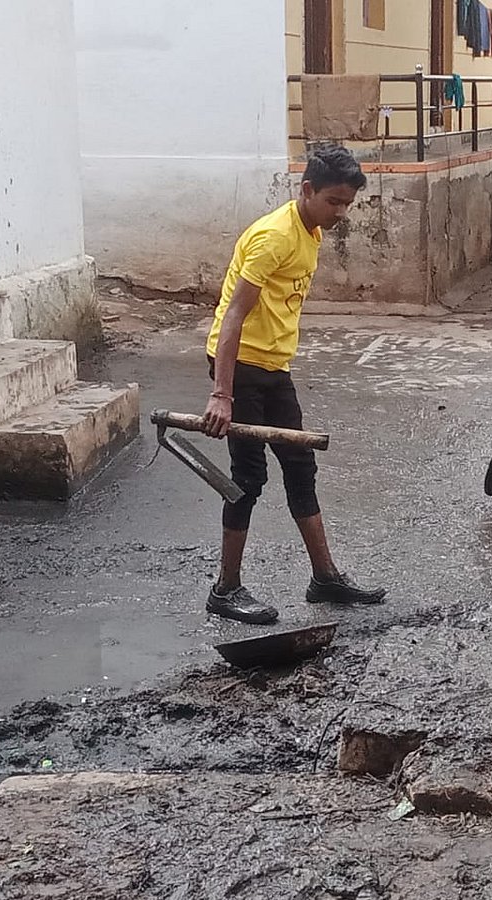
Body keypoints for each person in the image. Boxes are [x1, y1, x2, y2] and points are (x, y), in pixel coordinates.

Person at [200, 145, 387, 624]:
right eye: (333, 202)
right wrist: (222, 394)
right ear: (307, 190)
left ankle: (324, 578)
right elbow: (233, 317)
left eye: (347, 203)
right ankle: (225, 589)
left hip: (273, 366)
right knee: (247, 480)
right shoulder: (274, 238)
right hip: (241, 365)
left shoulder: (312, 229)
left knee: (300, 466)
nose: (341, 212)